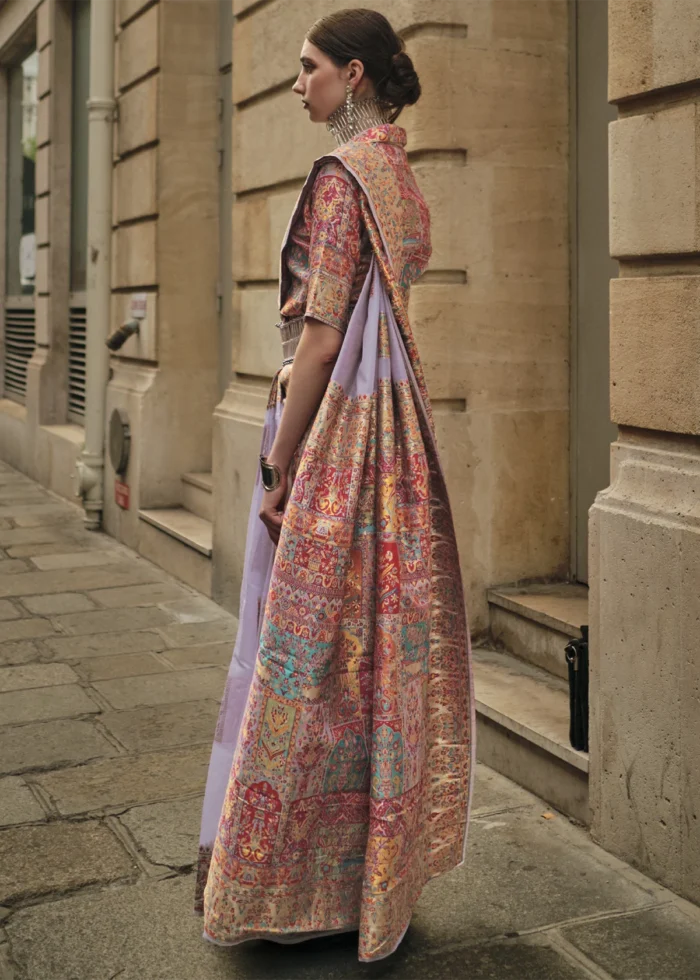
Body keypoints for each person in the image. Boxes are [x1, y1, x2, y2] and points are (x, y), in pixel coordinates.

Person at [195, 8, 474, 963]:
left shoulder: (339, 179)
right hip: (399, 442)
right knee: (375, 661)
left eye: (308, 67)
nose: (296, 81)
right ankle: (372, 883)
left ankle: (282, 888)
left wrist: (280, 467)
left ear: (353, 75)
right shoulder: (400, 178)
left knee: (306, 663)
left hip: (343, 442)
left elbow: (320, 338)